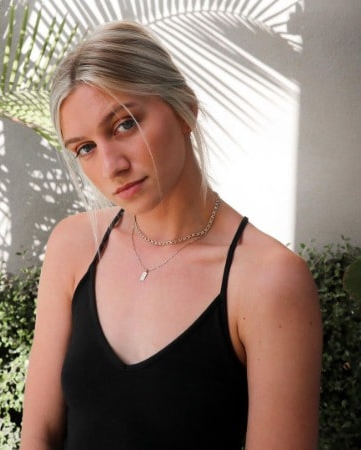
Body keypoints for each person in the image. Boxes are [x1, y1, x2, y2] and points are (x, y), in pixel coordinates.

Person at [20, 20, 322, 450]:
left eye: (125, 124)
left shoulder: (267, 280)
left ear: (184, 111)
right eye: (85, 148)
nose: (111, 166)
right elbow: (38, 435)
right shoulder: (74, 247)